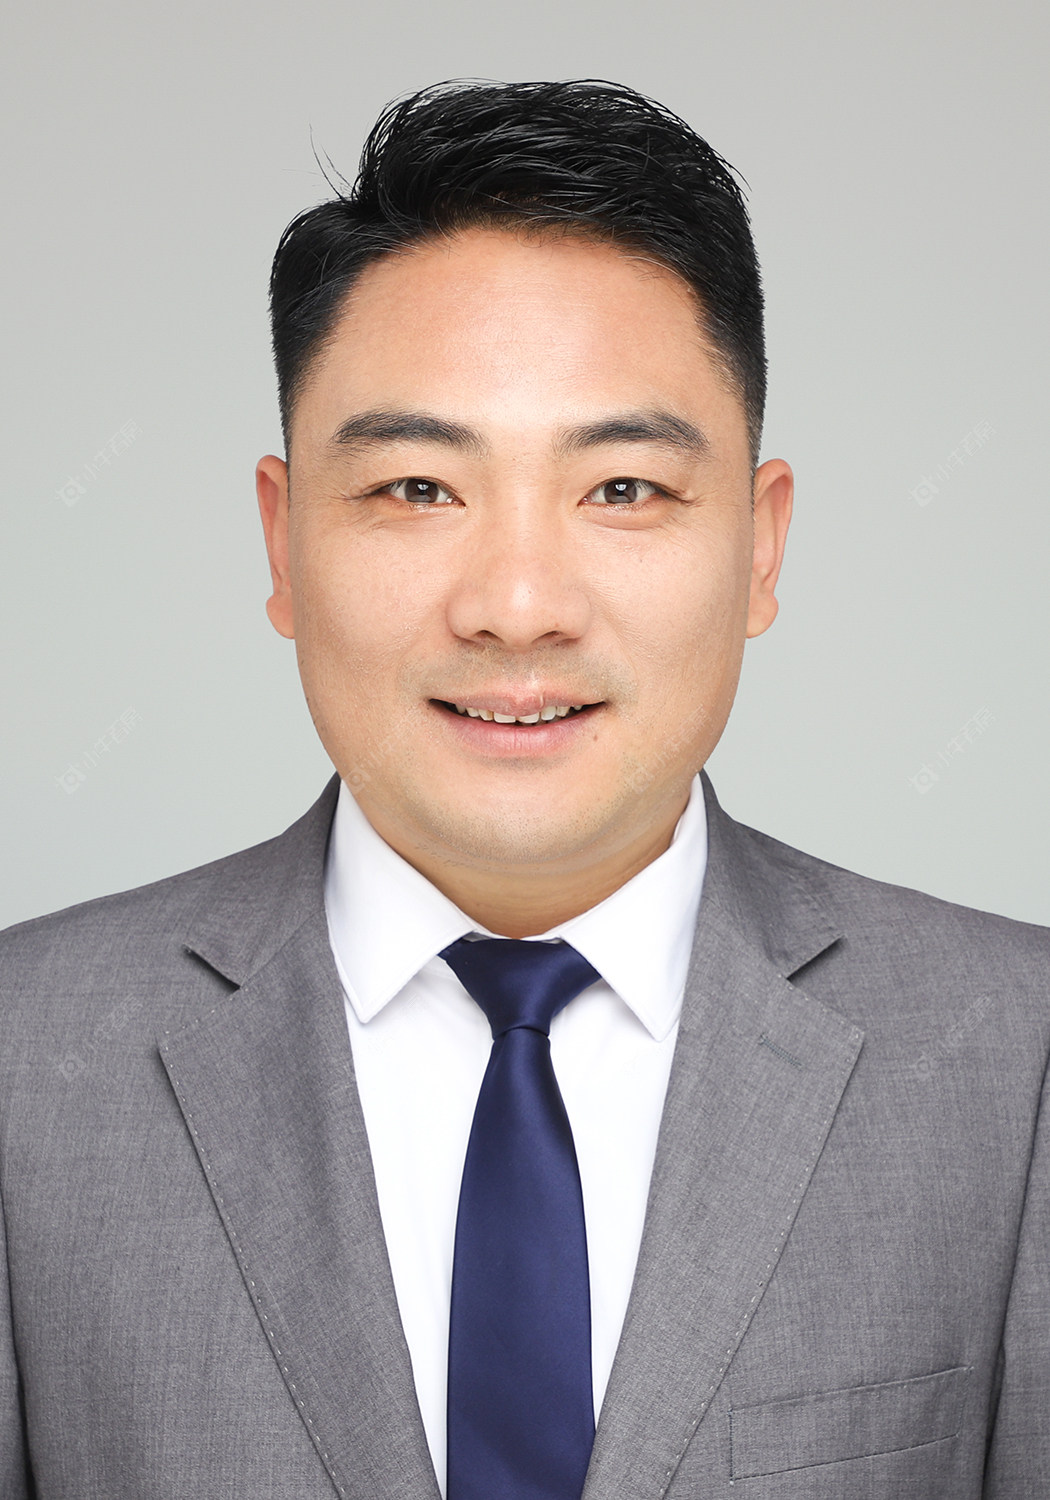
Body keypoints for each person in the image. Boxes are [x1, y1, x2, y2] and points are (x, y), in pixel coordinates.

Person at [1, 78, 1047, 1500]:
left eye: (621, 489)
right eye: (416, 489)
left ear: (760, 546)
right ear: (282, 541)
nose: (515, 605)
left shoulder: (1015, 1060)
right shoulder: (27, 1065)